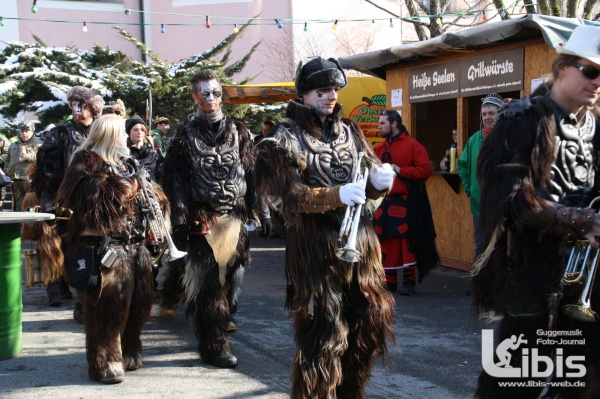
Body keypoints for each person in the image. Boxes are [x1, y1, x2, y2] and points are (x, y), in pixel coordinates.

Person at [253, 57, 396, 398]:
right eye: (322, 90)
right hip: (315, 251)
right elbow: (289, 197)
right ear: (303, 94)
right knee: (322, 336)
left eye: (334, 89)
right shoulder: (281, 139)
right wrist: (336, 194)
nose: (330, 96)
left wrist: (379, 182)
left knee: (366, 332)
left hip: (360, 246)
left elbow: (368, 183)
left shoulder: (351, 132)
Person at [472, 25, 600, 398]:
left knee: (583, 383)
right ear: (562, 67)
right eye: (589, 70)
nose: (596, 82)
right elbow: (509, 200)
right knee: (515, 383)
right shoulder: (521, 118)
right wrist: (580, 220)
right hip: (529, 271)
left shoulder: (595, 126)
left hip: (584, 279)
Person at [160, 70, 253, 368]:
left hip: (235, 216)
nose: (210, 99)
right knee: (209, 284)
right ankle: (213, 345)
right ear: (194, 97)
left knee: (232, 279)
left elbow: (250, 171)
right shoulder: (184, 135)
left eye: (214, 92)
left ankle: (219, 323)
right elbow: (174, 179)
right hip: (203, 216)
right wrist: (180, 217)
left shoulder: (239, 130)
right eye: (204, 93)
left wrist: (255, 209)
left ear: (221, 94)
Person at [55, 114, 157, 384]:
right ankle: (104, 361)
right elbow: (96, 206)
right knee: (106, 308)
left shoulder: (125, 162)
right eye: (122, 132)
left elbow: (143, 198)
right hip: (104, 248)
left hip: (135, 245)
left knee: (138, 303)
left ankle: (129, 350)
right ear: (110, 135)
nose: (127, 136)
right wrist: (133, 184)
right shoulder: (84, 163)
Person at [30, 85, 104, 310]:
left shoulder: (98, 133)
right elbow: (47, 172)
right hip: (63, 200)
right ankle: (56, 288)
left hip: (91, 200)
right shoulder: (60, 133)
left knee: (85, 247)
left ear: (92, 108)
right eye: (73, 105)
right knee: (55, 244)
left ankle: (83, 292)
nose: (77, 110)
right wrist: (49, 201)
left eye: (82, 105)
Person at [373, 110, 438, 296]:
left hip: (405, 202)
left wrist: (401, 170)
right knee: (385, 241)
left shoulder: (413, 146)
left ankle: (409, 282)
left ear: (394, 124)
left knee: (405, 242)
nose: (379, 126)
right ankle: (390, 281)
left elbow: (425, 170)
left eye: (382, 123)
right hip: (382, 202)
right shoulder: (378, 148)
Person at [457, 92, 503, 256]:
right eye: (484, 114)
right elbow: (462, 164)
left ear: (500, 113)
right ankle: (482, 280)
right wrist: (469, 188)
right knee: (481, 245)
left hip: (502, 205)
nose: (487, 117)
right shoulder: (474, 140)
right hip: (480, 205)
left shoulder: (508, 137)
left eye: (491, 113)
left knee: (501, 246)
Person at [126, 115, 164, 292]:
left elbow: (163, 177)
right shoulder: (123, 154)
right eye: (135, 129)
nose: (139, 132)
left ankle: (151, 284)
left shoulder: (155, 154)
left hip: (153, 206)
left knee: (155, 247)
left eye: (142, 129)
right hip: (131, 208)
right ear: (128, 133)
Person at [5, 122, 42, 211]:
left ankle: (31, 224)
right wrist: (7, 170)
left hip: (30, 179)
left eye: (26, 131)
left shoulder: (39, 144)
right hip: (15, 179)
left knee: (31, 204)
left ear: (32, 131)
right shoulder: (14, 144)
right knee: (18, 204)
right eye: (22, 131)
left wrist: (29, 157)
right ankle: (19, 224)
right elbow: (8, 160)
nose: (24, 134)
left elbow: (44, 160)